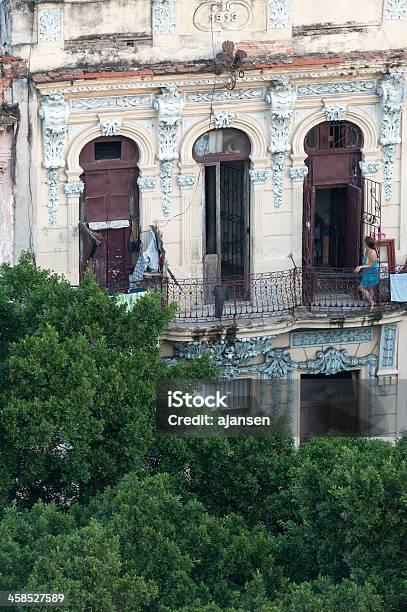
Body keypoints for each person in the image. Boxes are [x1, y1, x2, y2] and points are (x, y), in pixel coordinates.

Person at [354, 236, 380, 310]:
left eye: (364, 242)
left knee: (361, 287)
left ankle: (371, 302)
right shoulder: (367, 251)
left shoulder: (372, 252)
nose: (363, 243)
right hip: (367, 271)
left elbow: (371, 264)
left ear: (367, 243)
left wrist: (360, 267)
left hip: (371, 272)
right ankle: (371, 305)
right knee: (370, 287)